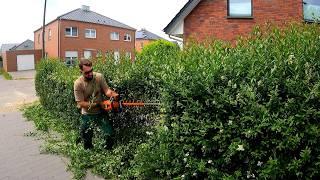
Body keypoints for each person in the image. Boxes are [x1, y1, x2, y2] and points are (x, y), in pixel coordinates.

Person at [74, 59, 119, 150]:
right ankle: (88, 154)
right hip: (87, 114)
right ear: (81, 71)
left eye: (91, 70)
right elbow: (81, 103)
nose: (90, 74)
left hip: (101, 112)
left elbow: (106, 90)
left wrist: (114, 95)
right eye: (87, 72)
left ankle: (107, 151)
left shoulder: (99, 77)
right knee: (87, 137)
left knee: (109, 133)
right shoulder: (78, 83)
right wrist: (98, 104)